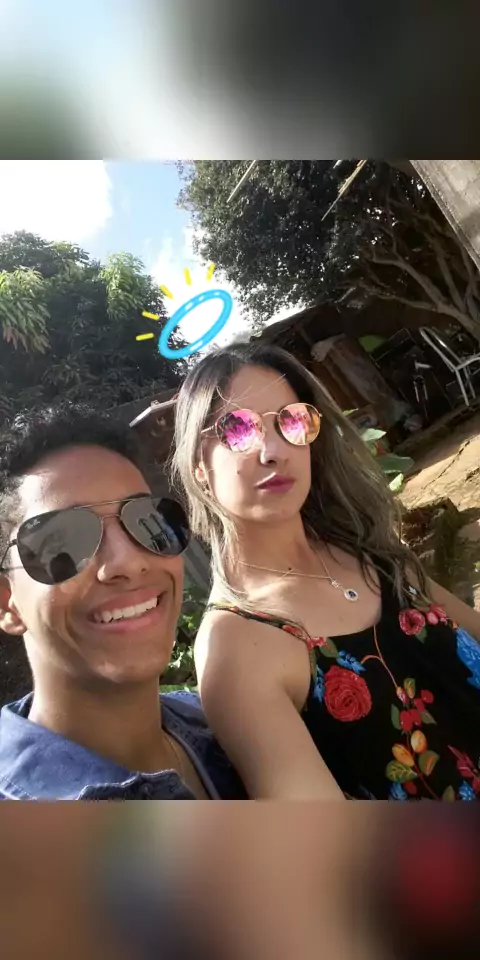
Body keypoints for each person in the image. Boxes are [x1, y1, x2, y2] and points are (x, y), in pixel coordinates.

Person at [172, 342, 480, 801]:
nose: (273, 450)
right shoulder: (236, 646)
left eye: (291, 421)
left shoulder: (367, 551)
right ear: (200, 466)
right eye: (238, 428)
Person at [0, 404, 245, 800]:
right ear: (7, 603)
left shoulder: (235, 725)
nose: (129, 562)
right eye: (63, 542)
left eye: (146, 519)